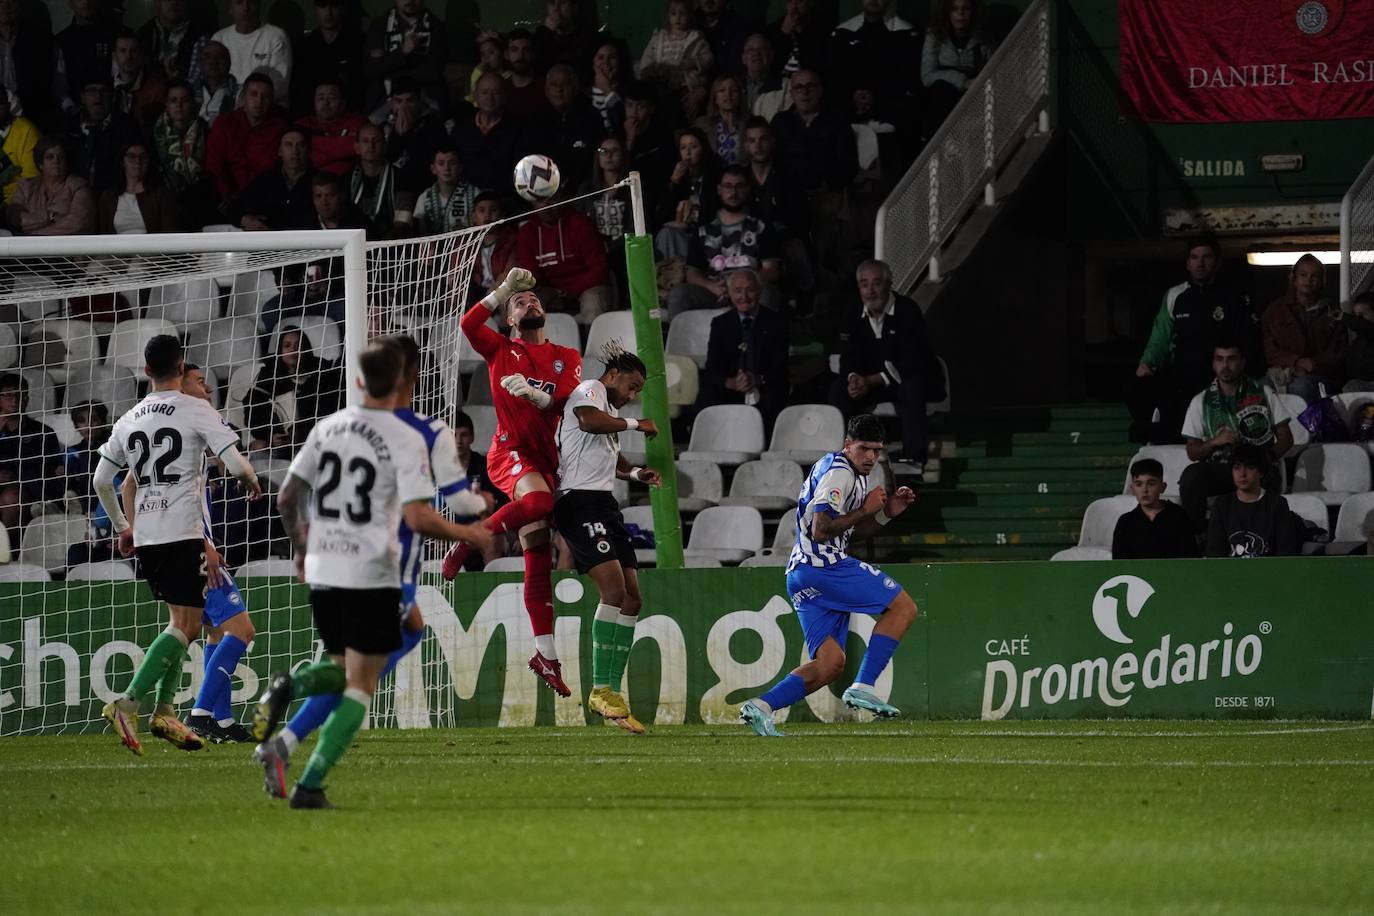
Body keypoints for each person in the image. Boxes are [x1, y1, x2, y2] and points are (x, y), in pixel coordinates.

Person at [252, 338, 487, 809]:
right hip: (382, 566)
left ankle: (286, 722)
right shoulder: (418, 433)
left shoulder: (329, 425)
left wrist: (301, 552)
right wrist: (476, 526)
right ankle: (309, 775)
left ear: (358, 380)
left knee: (389, 643)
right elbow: (429, 514)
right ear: (408, 379)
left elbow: (286, 498)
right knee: (361, 681)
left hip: (325, 562)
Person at [95, 334, 263, 757]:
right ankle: (128, 703)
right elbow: (237, 462)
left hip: (148, 535)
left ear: (146, 370)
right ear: (180, 365)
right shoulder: (195, 409)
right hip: (183, 532)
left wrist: (123, 526)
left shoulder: (129, 417)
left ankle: (167, 710)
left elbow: (101, 480)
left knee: (184, 624)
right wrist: (251, 480)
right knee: (184, 627)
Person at [439, 267, 583, 699]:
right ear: (509, 320)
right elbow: (467, 324)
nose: (529, 303)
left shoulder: (567, 356)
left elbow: (567, 403)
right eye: (520, 303)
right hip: (512, 453)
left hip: (552, 459)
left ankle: (546, 654)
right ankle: (469, 537)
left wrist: (537, 397)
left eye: (534, 299)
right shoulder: (500, 347)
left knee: (537, 555)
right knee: (538, 503)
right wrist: (502, 288)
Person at [740, 413, 919, 737]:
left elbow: (847, 532)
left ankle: (762, 706)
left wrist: (887, 513)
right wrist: (866, 509)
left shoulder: (847, 471)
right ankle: (863, 685)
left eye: (876, 451)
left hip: (801, 573)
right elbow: (821, 530)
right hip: (824, 567)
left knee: (830, 664)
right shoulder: (840, 474)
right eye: (864, 448)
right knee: (903, 607)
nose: (870, 457)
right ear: (847, 445)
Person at [553, 343, 661, 734]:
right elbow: (588, 422)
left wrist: (635, 476)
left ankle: (612, 692)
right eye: (631, 387)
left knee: (633, 598)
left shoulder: (609, 412)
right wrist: (637, 425)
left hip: (604, 505)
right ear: (613, 374)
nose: (632, 397)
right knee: (613, 592)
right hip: (578, 503)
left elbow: (609, 458)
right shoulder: (589, 393)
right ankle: (599, 688)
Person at [1130, 236, 1261, 444]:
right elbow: (1160, 337)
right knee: (1142, 390)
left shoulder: (1233, 295)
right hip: (1183, 376)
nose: (1200, 263)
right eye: (1194, 257)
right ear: (1187, 263)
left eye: (1207, 257)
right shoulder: (1176, 295)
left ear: (1217, 262)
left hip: (1223, 375)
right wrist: (1147, 363)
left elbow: (1248, 340)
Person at [830, 259, 944, 475]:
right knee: (838, 389)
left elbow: (913, 359)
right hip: (871, 384)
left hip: (908, 379)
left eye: (876, 284)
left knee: (912, 387)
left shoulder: (908, 311)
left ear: (889, 284)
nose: (870, 291)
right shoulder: (853, 314)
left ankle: (914, 459)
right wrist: (854, 378)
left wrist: (873, 380)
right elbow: (848, 355)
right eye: (864, 285)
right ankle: (846, 459)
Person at [1179, 340, 1292, 534]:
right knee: (1191, 476)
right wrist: (1216, 441)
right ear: (1213, 364)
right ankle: (1196, 537)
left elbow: (1286, 437)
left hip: (1256, 467)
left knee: (1270, 475)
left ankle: (1267, 536)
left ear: (1242, 363)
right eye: (1220, 359)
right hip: (1221, 468)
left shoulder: (1263, 392)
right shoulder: (1201, 401)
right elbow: (1193, 451)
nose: (1225, 365)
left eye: (1231, 359)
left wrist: (1267, 457)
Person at [666, 165, 782, 320]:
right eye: (728, 186)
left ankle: (761, 342)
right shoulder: (703, 229)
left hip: (749, 290)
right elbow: (692, 272)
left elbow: (772, 270)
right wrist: (711, 286)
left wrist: (741, 287)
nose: (733, 192)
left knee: (769, 293)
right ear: (719, 189)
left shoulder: (761, 226)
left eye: (739, 186)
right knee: (679, 295)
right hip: (715, 291)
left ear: (747, 189)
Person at [700, 268, 788, 432]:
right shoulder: (720, 324)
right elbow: (712, 367)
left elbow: (780, 366)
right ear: (730, 293)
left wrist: (757, 379)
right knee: (709, 394)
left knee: (775, 395)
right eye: (738, 291)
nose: (744, 297)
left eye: (750, 290)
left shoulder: (776, 322)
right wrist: (731, 383)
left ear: (760, 291)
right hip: (732, 389)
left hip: (764, 386)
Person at [514, 194, 612, 327]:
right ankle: (525, 347)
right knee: (522, 304)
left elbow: (599, 269)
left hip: (586, 287)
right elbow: (530, 275)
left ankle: (592, 346)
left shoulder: (581, 223)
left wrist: (567, 293)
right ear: (533, 203)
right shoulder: (526, 232)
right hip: (549, 290)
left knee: (593, 302)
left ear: (562, 199)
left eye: (552, 200)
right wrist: (549, 293)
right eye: (540, 200)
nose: (546, 207)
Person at [1261, 253, 1346, 404]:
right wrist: (1295, 362)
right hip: (1281, 372)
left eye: (1314, 276)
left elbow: (1338, 352)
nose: (1308, 280)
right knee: (1261, 387)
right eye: (1303, 275)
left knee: (1300, 387)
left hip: (1321, 376)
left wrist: (1310, 366)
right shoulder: (1276, 310)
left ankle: (1311, 427)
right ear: (1294, 279)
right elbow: (1268, 347)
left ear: (1322, 281)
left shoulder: (1332, 312)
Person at [244, 325, 343, 449]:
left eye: (298, 345)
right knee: (258, 446)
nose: (293, 350)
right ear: (280, 351)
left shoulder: (324, 373)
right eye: (287, 346)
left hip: (316, 440)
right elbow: (254, 412)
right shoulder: (268, 376)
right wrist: (271, 435)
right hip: (280, 444)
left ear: (306, 348)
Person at [205, 72, 287, 209]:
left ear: (271, 101)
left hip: (265, 199)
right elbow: (214, 165)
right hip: (225, 198)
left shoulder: (280, 129)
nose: (259, 101)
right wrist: (228, 198)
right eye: (253, 94)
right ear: (243, 96)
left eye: (265, 97)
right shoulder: (225, 123)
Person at [1205, 445, 1298, 558]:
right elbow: (1215, 553)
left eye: (1249, 467)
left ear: (1261, 472)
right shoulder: (1222, 504)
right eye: (1237, 468)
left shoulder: (1277, 503)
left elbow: (1285, 552)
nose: (1242, 474)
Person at [920, 0, 995, 141]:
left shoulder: (984, 39)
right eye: (955, 9)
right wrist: (962, 81)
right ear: (948, 12)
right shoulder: (935, 36)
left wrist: (976, 83)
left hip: (973, 95)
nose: (960, 13)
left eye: (965, 8)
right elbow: (927, 76)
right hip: (943, 94)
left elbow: (994, 72)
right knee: (940, 91)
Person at [149, 80, 215, 226]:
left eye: (184, 100)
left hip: (200, 201)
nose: (179, 105)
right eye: (173, 100)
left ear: (192, 103)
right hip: (164, 199)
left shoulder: (206, 132)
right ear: (166, 104)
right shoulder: (153, 134)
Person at [363, 0, 448, 111]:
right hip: (383, 100)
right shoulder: (379, 25)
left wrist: (388, 64)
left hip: (425, 100)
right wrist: (402, 51)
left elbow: (433, 73)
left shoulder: (436, 26)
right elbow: (371, 70)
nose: (410, 1)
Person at [449, 71, 526, 192]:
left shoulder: (518, 130)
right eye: (484, 92)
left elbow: (521, 172)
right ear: (475, 95)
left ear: (505, 96)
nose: (489, 98)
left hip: (503, 197)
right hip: (465, 197)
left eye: (495, 93)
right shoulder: (461, 129)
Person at [63, 79, 142, 194]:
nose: (98, 96)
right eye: (91, 91)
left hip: (116, 196)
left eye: (104, 91)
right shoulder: (69, 127)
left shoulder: (128, 127)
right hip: (74, 196)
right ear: (82, 97)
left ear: (113, 96)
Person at [1111, 457, 1198, 560]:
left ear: (1162, 487)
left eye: (1151, 484)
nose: (1144, 490)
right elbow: (1120, 563)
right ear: (1132, 488)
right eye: (1139, 484)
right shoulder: (1125, 522)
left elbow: (1190, 557)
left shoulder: (1178, 516)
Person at [637, 0, 713, 117]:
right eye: (673, 13)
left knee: (685, 112)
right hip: (662, 85)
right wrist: (649, 74)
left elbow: (707, 58)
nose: (678, 18)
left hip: (686, 86)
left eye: (682, 14)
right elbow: (646, 60)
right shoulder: (659, 37)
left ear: (689, 16)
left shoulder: (696, 37)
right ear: (668, 16)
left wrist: (693, 62)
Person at [6, 137, 95, 236]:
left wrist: (33, 235)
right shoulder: (26, 186)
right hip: (28, 248)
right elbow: (15, 219)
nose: (56, 161)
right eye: (50, 157)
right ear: (40, 164)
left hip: (67, 248)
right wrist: (50, 217)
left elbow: (77, 224)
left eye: (61, 157)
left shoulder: (80, 188)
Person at [535, 63, 601, 191]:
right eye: (554, 85)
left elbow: (598, 156)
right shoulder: (535, 121)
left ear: (575, 88)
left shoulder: (591, 117)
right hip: (544, 192)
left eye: (564, 84)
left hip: (583, 192)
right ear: (546, 90)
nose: (559, 89)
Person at [291, 0, 365, 114]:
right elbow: (297, 90)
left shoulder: (358, 42)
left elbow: (361, 87)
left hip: (349, 117)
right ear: (315, 8)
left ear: (342, 8)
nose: (328, 12)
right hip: (310, 118)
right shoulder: (304, 46)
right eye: (322, 6)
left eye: (334, 6)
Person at [211, 0, 292, 103]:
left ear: (259, 6)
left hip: (265, 107)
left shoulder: (276, 36)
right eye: (239, 2)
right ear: (230, 8)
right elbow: (212, 82)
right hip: (224, 106)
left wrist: (247, 101)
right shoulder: (219, 38)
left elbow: (279, 85)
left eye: (251, 2)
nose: (246, 8)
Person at [653, 126, 715, 260]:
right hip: (679, 236)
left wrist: (688, 225)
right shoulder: (677, 178)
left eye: (693, 147)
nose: (688, 152)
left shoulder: (714, 177)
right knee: (666, 234)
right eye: (683, 148)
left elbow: (714, 214)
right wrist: (674, 182)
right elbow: (660, 215)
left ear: (703, 148)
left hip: (707, 235)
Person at [236, 126, 315, 231]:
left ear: (308, 151)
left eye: (301, 145)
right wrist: (244, 219)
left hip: (309, 243)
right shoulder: (265, 181)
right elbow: (235, 207)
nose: (295, 151)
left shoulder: (319, 181)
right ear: (279, 151)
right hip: (269, 243)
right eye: (288, 145)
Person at [97, 141, 186, 233]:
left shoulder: (161, 195)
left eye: (143, 157)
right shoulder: (109, 197)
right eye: (131, 156)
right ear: (122, 161)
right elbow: (104, 236)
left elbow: (170, 232)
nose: (138, 161)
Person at [346, 121, 410, 239]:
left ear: (384, 146)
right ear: (357, 147)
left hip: (390, 246)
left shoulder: (401, 178)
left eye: (376, 141)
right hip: (353, 244)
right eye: (365, 141)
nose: (371, 145)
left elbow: (402, 222)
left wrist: (380, 245)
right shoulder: (346, 179)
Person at [297, 78, 368, 176]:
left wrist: (311, 144)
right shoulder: (302, 125)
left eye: (332, 98)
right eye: (320, 98)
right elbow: (297, 157)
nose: (326, 103)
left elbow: (360, 148)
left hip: (350, 179)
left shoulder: (357, 122)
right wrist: (343, 152)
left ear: (343, 103)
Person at [138, 0, 210, 85]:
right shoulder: (143, 35)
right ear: (158, 3)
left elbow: (197, 81)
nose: (174, 3)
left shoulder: (199, 36)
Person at [411, 143, 477, 234]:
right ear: (433, 168)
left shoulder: (475, 194)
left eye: (452, 163)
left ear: (460, 168)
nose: (447, 168)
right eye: (441, 163)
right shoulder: (425, 198)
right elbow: (422, 235)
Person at [465, 191, 518, 302]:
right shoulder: (467, 242)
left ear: (502, 215)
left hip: (500, 292)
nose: (487, 215)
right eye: (482, 210)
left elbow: (508, 273)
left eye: (493, 210)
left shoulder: (512, 239)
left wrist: (487, 300)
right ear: (474, 217)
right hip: (476, 292)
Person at [112, 31, 170, 128]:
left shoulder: (157, 89)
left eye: (133, 51)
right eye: (122, 50)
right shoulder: (106, 86)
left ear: (141, 55)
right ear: (114, 55)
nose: (128, 57)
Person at [694, 73, 746, 166]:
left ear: (740, 96)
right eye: (722, 90)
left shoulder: (750, 123)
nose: (728, 94)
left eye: (733, 90)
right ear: (715, 98)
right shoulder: (701, 125)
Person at [0, 88, 39, 206]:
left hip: (17, 204)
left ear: (8, 106)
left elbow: (31, 181)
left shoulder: (26, 131)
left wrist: (5, 206)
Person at [193, 40, 238, 126]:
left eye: (219, 57)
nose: (213, 62)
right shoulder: (189, 90)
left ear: (229, 63)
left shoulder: (240, 93)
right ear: (200, 63)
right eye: (207, 57)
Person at [501, 28, 544, 119]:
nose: (520, 56)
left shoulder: (545, 88)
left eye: (526, 50)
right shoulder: (501, 89)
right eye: (514, 49)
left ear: (533, 54)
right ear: (506, 54)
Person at [588, 39, 624, 134]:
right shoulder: (583, 94)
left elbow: (621, 121)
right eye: (600, 57)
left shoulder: (629, 91)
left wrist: (607, 90)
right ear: (593, 62)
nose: (606, 62)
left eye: (612, 57)